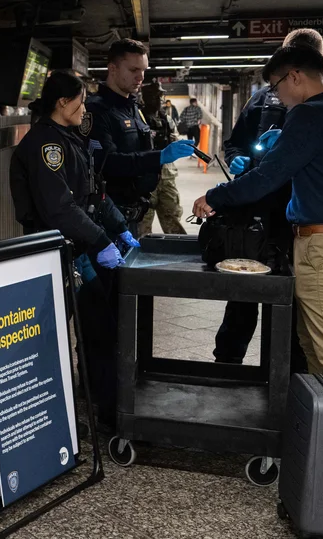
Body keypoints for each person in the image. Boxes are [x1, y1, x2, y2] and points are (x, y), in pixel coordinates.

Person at [193, 44, 323, 384]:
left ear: (294, 76)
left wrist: (214, 196)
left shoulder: (309, 114)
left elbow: (267, 177)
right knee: (313, 347)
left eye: (277, 87)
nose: (277, 96)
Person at [10, 71, 134, 427]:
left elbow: (93, 192)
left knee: (100, 330)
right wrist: (101, 240)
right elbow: (59, 208)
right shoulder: (44, 145)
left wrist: (120, 228)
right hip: (57, 254)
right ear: (62, 103)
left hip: (81, 248)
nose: (85, 107)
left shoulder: (68, 139)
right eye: (80, 100)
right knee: (81, 333)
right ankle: (103, 415)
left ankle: (100, 403)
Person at [213, 28, 323, 368]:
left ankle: (288, 378)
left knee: (296, 304)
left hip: (304, 220)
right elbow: (235, 142)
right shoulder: (263, 98)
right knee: (243, 294)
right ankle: (228, 364)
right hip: (258, 215)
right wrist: (238, 158)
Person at [88, 38, 195, 237]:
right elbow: (107, 164)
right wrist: (159, 157)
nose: (140, 77)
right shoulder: (97, 110)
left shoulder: (133, 108)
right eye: (133, 70)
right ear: (113, 69)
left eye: (143, 70)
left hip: (134, 213)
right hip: (110, 216)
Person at [139, 81, 186, 235]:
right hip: (144, 176)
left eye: (160, 96)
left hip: (166, 176)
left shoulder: (166, 118)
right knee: (142, 223)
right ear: (146, 98)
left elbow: (175, 138)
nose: (160, 99)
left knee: (172, 218)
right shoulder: (137, 117)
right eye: (156, 96)